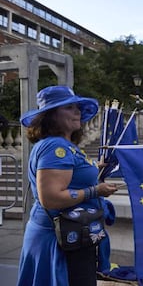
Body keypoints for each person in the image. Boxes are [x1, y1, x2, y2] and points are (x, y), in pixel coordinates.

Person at [17, 85, 119, 286]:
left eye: (78, 107)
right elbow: (51, 198)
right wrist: (95, 191)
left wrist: (93, 167)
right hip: (60, 240)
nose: (77, 112)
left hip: (68, 235)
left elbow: (68, 173)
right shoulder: (56, 147)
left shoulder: (61, 145)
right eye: (69, 107)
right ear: (51, 115)